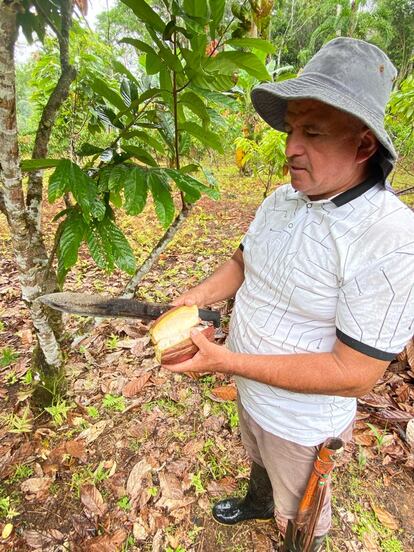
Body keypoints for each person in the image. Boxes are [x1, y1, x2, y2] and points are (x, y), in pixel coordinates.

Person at [164, 38, 414, 551]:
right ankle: (258, 501)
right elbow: (241, 261)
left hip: (301, 421)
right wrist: (194, 297)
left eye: (313, 132)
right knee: (255, 452)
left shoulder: (388, 240)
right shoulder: (282, 199)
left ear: (364, 145)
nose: (290, 147)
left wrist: (229, 362)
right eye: (292, 129)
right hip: (253, 389)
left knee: (299, 508)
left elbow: (354, 374)